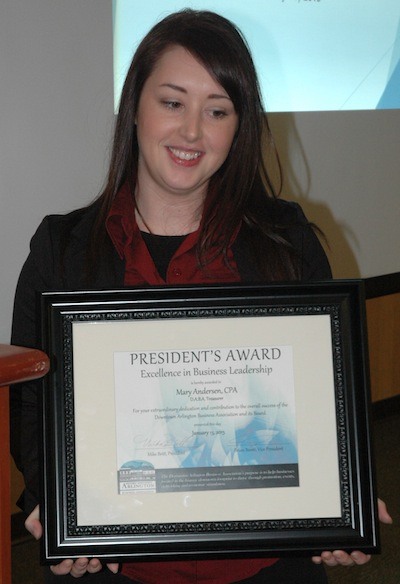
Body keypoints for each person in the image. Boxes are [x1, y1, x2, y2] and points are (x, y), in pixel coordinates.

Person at [10, 9, 391, 584]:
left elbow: (329, 397)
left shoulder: (285, 242)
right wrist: (57, 504)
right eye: (172, 102)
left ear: (238, 127)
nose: (192, 132)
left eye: (217, 111)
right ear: (134, 104)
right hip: (118, 566)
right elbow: (30, 401)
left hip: (263, 567)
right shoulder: (62, 248)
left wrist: (343, 502)